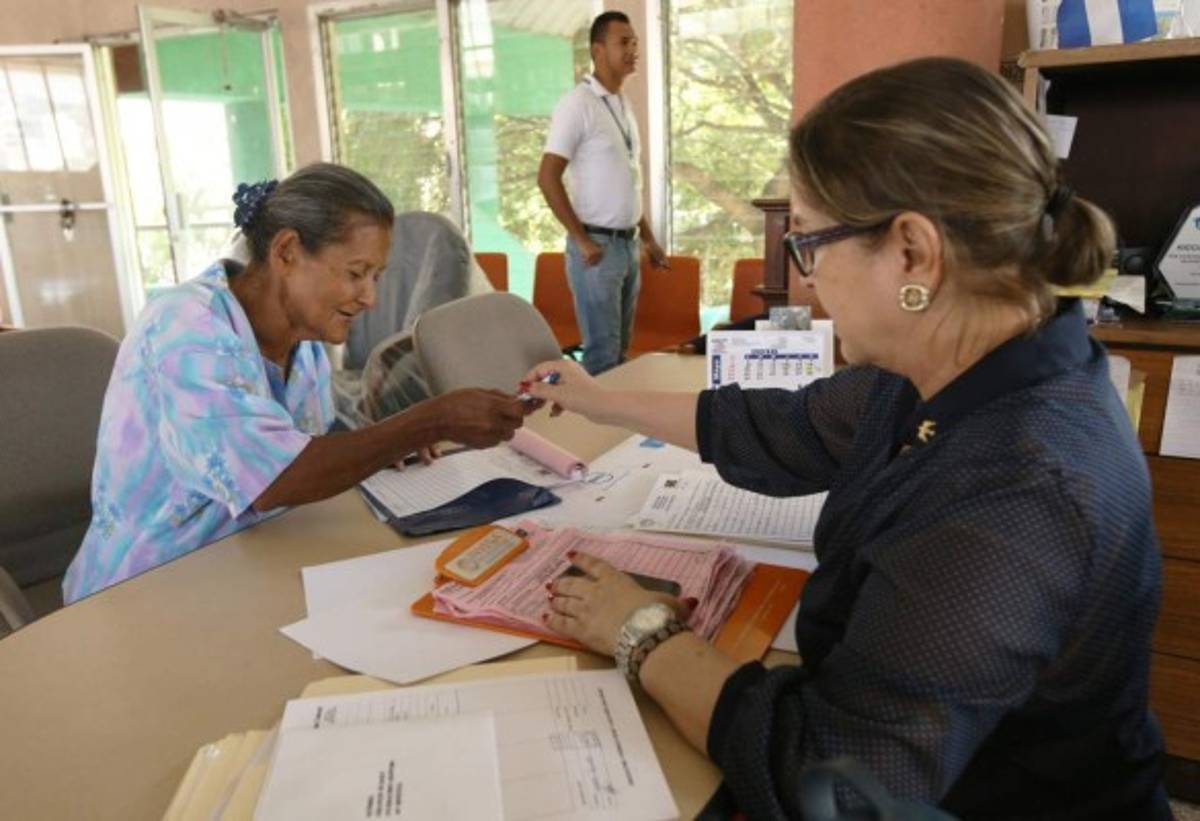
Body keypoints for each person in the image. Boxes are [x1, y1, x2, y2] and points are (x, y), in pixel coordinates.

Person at [525, 58, 1169, 818]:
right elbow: (784, 427)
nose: (805, 279)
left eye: (810, 244)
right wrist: (605, 403)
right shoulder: (951, 366)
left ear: (913, 254)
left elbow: (834, 781)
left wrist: (641, 632)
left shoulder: (1018, 487)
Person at [64, 163, 531, 603]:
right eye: (355, 273)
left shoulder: (303, 341)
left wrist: (383, 449)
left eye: (376, 277)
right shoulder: (186, 328)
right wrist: (427, 422)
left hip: (250, 563)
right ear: (286, 251)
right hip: (148, 589)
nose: (369, 297)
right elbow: (274, 479)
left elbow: (300, 443)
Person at [538, 10, 667, 376]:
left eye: (635, 43)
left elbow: (625, 183)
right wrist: (580, 240)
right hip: (596, 249)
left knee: (619, 357)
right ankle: (591, 433)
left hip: (627, 247)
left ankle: (616, 433)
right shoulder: (577, 104)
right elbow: (547, 177)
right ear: (597, 50)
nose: (633, 50)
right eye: (623, 42)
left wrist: (649, 238)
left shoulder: (622, 105)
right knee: (602, 359)